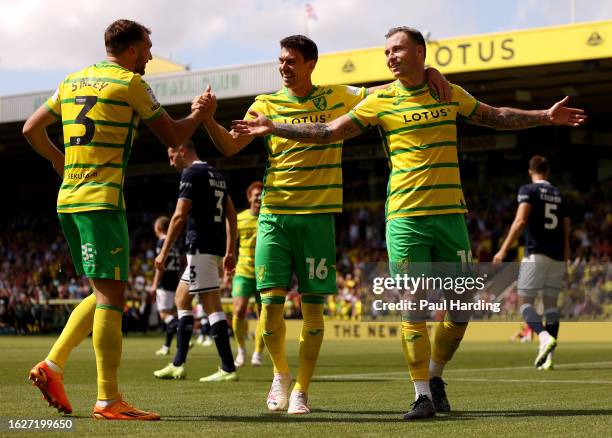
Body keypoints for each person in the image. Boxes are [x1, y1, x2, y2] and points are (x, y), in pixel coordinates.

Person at [229, 27, 586, 419]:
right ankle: (420, 395)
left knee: (460, 309)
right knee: (413, 304)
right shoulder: (380, 100)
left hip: (451, 215)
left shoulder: (446, 92)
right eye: (386, 52)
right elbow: (328, 132)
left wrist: (544, 117)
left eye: (397, 49)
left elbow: (494, 116)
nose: (391, 57)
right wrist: (275, 126)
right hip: (404, 218)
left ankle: (434, 376)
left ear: (419, 52)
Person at [193, 34, 450, 415]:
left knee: (313, 312)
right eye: (281, 60)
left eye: (291, 61)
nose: (283, 67)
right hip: (275, 218)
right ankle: (280, 374)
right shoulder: (264, 104)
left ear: (311, 63)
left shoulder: (338, 95)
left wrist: (428, 70)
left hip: (318, 220)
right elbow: (230, 147)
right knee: (270, 307)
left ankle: (301, 389)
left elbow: (391, 89)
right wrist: (207, 118)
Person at [22, 19, 209, 420]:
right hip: (102, 200)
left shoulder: (72, 81)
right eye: (147, 49)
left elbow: (30, 128)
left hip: (68, 198)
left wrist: (60, 160)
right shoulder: (129, 83)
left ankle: (52, 366)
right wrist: (199, 113)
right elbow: (175, 137)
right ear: (129, 51)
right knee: (111, 299)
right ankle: (108, 400)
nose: (150, 56)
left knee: (103, 292)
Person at [153, 140, 238, 382]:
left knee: (211, 305)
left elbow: (179, 215)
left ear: (182, 151)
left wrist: (163, 251)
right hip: (209, 248)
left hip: (201, 245)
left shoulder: (192, 173)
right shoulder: (217, 174)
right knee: (182, 298)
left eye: (171, 156)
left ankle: (228, 367)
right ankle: (178, 363)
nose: (171, 163)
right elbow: (231, 214)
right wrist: (229, 250)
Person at [493, 155, 570, 370]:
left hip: (536, 253)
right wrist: (566, 258)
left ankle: (544, 337)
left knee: (524, 302)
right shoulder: (560, 195)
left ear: (530, 171)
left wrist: (503, 249)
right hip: (557, 257)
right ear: (548, 171)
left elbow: (520, 221)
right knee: (551, 306)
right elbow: (566, 229)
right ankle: (548, 359)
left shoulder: (528, 190)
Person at [232, 181, 266, 367]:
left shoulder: (269, 217)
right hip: (243, 271)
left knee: (264, 315)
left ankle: (258, 353)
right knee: (238, 310)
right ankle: (241, 350)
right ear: (249, 198)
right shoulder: (240, 218)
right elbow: (231, 242)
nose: (259, 198)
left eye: (262, 195)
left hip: (265, 273)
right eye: (255, 195)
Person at [150, 216, 182, 356]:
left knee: (164, 315)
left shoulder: (161, 243)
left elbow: (160, 266)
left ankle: (182, 333)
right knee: (170, 314)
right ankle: (166, 347)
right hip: (175, 282)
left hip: (165, 283)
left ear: (157, 228)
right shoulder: (174, 244)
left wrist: (155, 284)